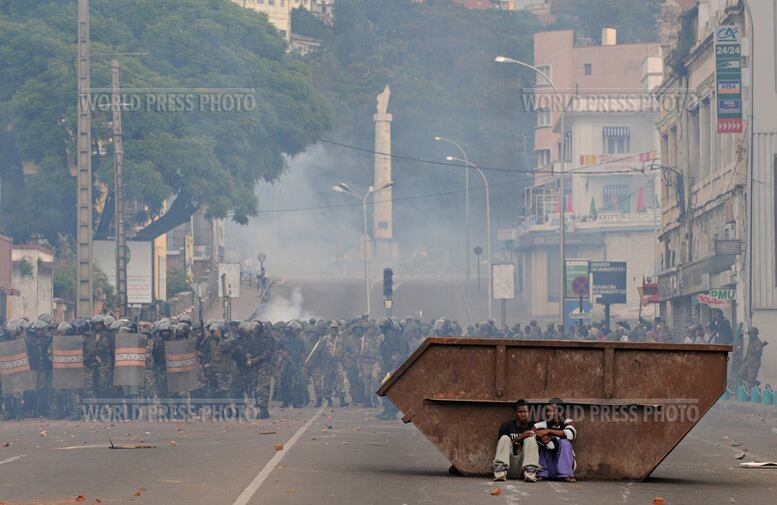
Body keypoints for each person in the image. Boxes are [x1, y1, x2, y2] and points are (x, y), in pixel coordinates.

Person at [493, 399, 540, 482]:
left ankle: (530, 472)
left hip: (524, 467)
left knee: (530, 439)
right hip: (508, 467)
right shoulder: (506, 426)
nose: (523, 414)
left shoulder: (534, 426)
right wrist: (520, 437)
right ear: (515, 413)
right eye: (520, 412)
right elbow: (501, 449)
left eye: (526, 411)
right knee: (504, 438)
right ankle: (500, 471)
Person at [534, 398, 577, 482]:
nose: (548, 413)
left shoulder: (568, 422)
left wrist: (548, 431)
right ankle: (542, 473)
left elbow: (570, 434)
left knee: (564, 442)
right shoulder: (543, 424)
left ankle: (566, 475)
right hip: (550, 469)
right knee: (543, 442)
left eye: (551, 411)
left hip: (566, 466)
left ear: (560, 412)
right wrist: (541, 437)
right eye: (547, 411)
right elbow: (531, 432)